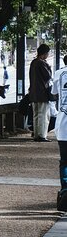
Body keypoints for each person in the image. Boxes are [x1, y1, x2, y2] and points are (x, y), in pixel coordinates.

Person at [29, 43, 53, 142]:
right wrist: (49, 67)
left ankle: (36, 134)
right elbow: (48, 76)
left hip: (33, 93)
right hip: (42, 93)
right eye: (47, 53)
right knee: (43, 115)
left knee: (36, 114)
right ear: (44, 53)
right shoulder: (42, 63)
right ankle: (42, 135)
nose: (48, 55)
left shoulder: (33, 62)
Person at [52, 54, 67, 211]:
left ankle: (65, 189)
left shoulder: (59, 73)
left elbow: (54, 92)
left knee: (65, 161)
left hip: (63, 125)